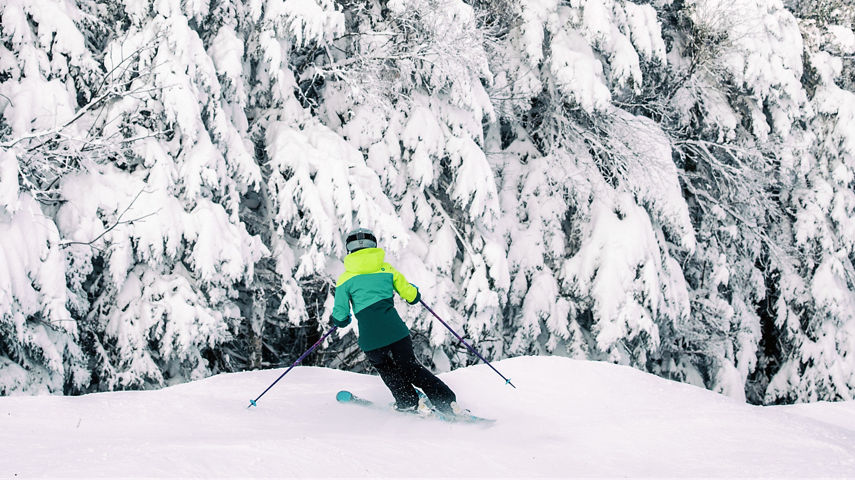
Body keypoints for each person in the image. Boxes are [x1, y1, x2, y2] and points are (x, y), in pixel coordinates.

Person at [330, 228, 460, 415]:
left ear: (349, 250)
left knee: (386, 369)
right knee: (410, 366)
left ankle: (407, 401)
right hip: (397, 332)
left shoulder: (345, 280)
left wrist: (342, 319)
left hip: (371, 338)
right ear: (373, 246)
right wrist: (413, 292)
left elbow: (340, 317)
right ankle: (446, 401)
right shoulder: (387, 270)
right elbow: (411, 295)